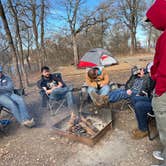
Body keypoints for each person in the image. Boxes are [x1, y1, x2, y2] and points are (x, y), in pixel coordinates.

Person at [145, 1, 166, 165]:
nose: (151, 25)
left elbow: (164, 69)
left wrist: (159, 89)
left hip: (163, 88)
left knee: (164, 124)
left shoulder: (164, 39)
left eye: (152, 21)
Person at [130, 62, 155, 139]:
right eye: (148, 72)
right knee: (134, 98)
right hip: (152, 99)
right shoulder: (152, 78)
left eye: (150, 72)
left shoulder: (161, 79)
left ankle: (144, 130)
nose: (149, 74)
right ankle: (141, 124)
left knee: (139, 105)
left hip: (159, 103)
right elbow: (146, 88)